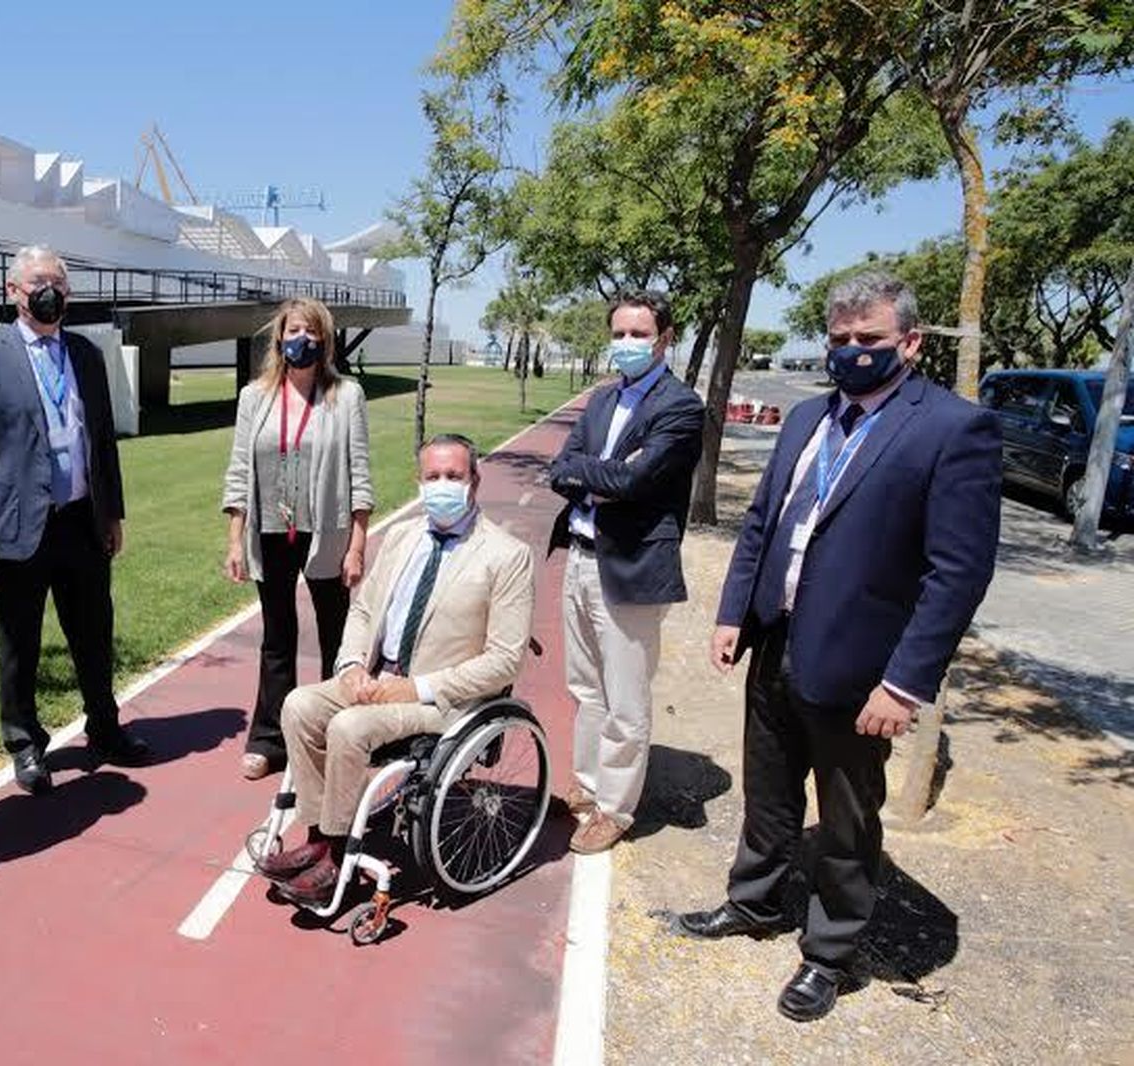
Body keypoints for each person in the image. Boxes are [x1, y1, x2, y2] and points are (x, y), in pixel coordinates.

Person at [676, 272, 1002, 1021]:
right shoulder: (806, 419)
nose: (851, 353)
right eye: (840, 340)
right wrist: (735, 612)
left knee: (849, 818)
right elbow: (765, 520)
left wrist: (906, 684)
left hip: (862, 668)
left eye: (870, 340)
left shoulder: (952, 429)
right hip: (778, 642)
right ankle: (754, 902)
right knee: (769, 785)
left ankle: (830, 953)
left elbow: (957, 573)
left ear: (910, 343)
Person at [257, 434, 535, 905]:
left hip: (440, 700)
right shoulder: (403, 536)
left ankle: (337, 852)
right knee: (299, 704)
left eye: (454, 476)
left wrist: (416, 688)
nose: (442, 485)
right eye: (433, 477)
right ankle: (319, 835)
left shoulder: (506, 555)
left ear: (474, 481)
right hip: (375, 677)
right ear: (419, 482)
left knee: (348, 727)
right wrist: (349, 667)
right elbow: (364, 611)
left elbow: (505, 659)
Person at [0, 245, 149, 796]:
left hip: (82, 520)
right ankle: (25, 744)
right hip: (19, 527)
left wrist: (112, 512)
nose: (51, 293)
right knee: (20, 643)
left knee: (94, 634)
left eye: (60, 284)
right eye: (40, 282)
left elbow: (102, 441)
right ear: (12, 291)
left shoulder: (85, 353)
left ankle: (105, 729)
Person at [547, 289, 704, 854]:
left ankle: (615, 809)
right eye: (619, 334)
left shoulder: (681, 407)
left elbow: (638, 484)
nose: (627, 344)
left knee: (626, 700)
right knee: (585, 688)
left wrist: (597, 475)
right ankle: (588, 788)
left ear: (665, 339)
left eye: (640, 334)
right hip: (582, 557)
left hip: (632, 569)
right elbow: (560, 469)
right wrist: (603, 474)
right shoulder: (600, 402)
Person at [222, 298, 373, 780]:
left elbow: (360, 475)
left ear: (324, 340)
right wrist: (234, 540)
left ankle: (332, 730)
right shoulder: (254, 397)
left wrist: (357, 543)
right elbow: (239, 470)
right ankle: (270, 739)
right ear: (279, 338)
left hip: (326, 532)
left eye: (310, 331)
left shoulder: (346, 396)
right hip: (270, 531)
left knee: (335, 633)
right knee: (277, 637)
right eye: (292, 330)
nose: (300, 339)